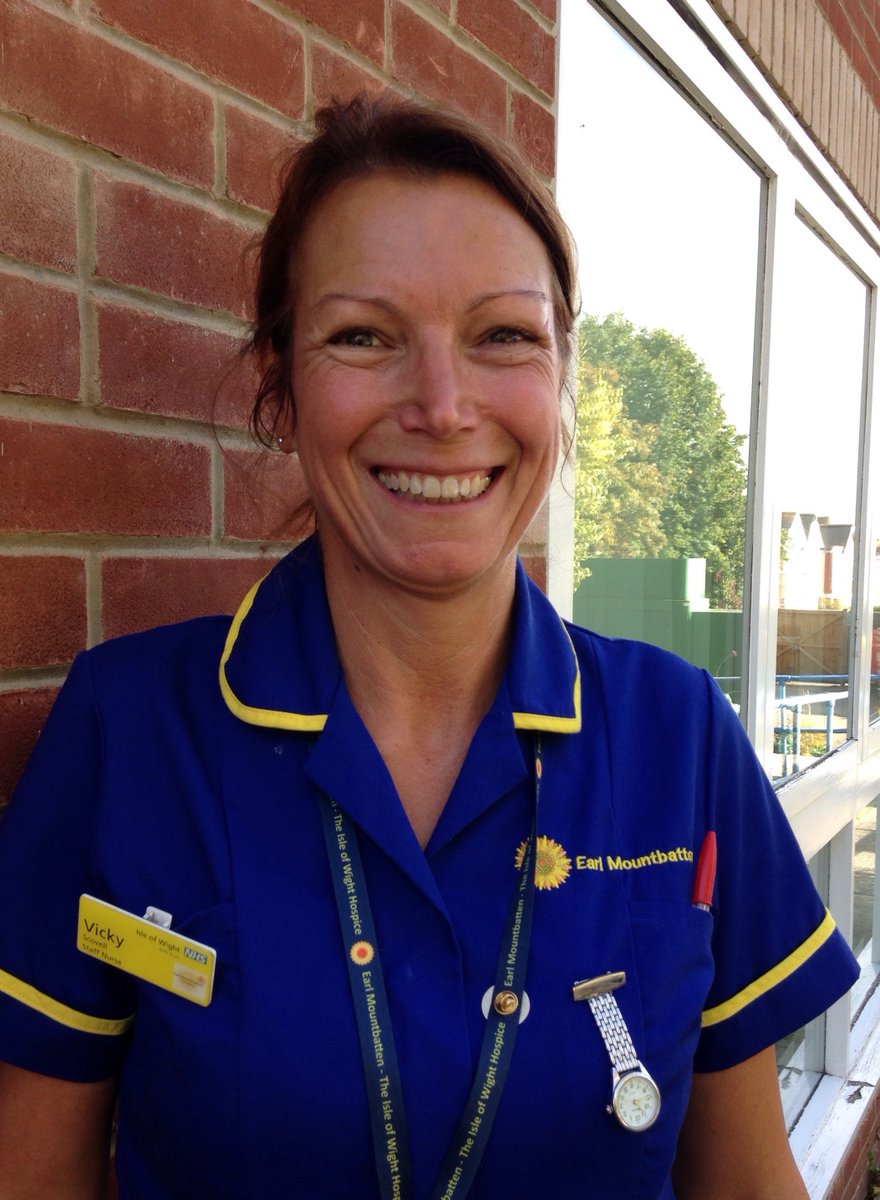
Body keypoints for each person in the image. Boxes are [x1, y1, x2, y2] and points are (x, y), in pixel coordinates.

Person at [0, 92, 859, 1200]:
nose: (444, 407)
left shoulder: (680, 734)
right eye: (363, 336)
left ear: (560, 378)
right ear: (281, 384)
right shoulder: (128, 728)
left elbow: (745, 1182)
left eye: (503, 336)